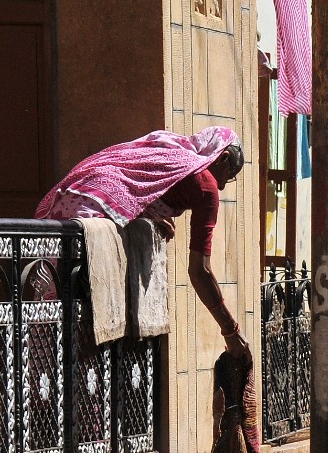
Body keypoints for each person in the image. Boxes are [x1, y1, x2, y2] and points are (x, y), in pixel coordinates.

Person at [37, 127, 250, 370]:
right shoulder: (205, 182)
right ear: (221, 158)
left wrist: (149, 216)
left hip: (73, 199)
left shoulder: (173, 150)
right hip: (90, 216)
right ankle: (64, 393)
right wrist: (230, 331)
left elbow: (133, 182)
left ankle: (41, 387)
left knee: (52, 307)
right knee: (79, 324)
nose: (222, 186)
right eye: (230, 174)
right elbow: (200, 270)